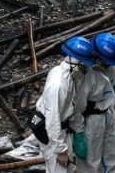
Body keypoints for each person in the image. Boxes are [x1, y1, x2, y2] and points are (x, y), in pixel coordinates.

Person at [33, 36, 97, 173]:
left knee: (68, 167)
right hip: (50, 131)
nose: (86, 69)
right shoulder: (58, 84)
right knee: (57, 169)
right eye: (84, 65)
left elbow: (73, 106)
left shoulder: (70, 77)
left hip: (61, 128)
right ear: (75, 62)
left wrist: (77, 132)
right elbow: (52, 119)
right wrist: (60, 150)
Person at [68, 33, 115, 173]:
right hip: (90, 119)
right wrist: (78, 133)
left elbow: (114, 76)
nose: (108, 65)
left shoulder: (111, 60)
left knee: (113, 155)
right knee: (90, 161)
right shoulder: (82, 72)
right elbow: (77, 108)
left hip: (108, 113)